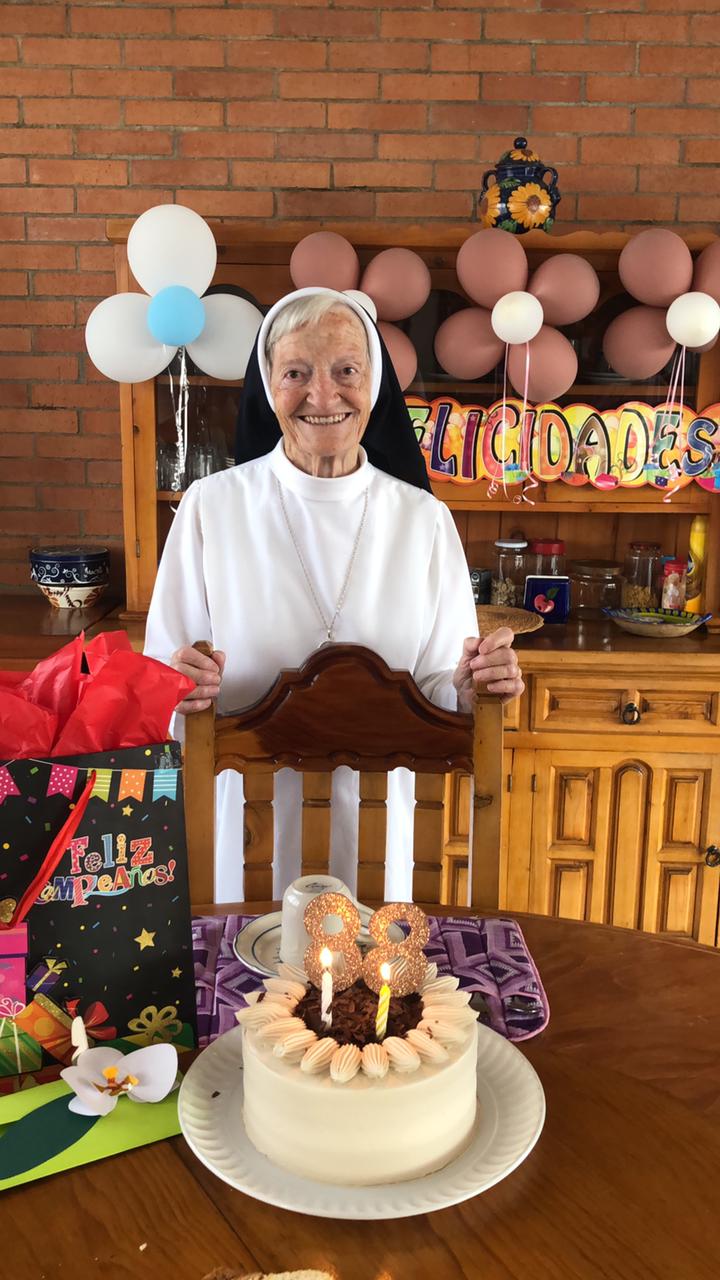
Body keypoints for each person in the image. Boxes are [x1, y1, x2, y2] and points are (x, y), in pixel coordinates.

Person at [145, 287, 524, 901]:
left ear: (373, 386)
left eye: (346, 370)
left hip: (379, 832)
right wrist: (180, 685)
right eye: (296, 372)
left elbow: (439, 690)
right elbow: (158, 685)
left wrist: (470, 685)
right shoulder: (210, 508)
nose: (323, 397)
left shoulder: (423, 520)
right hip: (246, 832)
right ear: (269, 385)